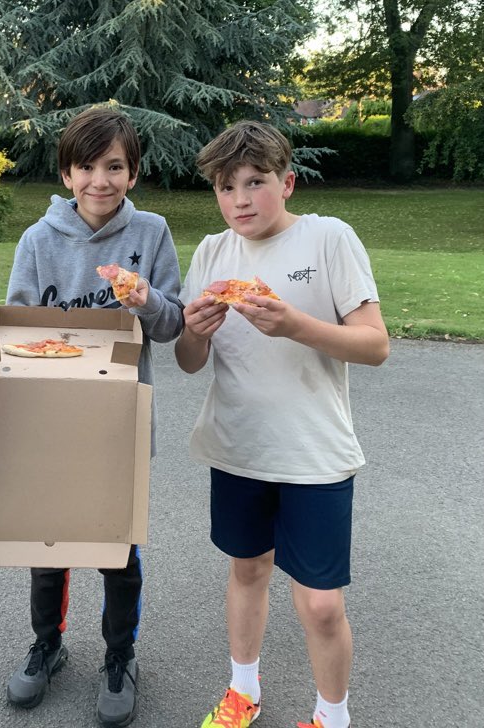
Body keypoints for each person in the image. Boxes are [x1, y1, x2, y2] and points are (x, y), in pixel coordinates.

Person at [175, 120, 389, 728]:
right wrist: (194, 330)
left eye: (255, 182)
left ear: (287, 182)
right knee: (247, 569)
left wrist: (294, 324)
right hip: (238, 447)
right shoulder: (214, 252)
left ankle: (332, 716)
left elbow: (375, 346)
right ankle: (244, 691)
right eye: (225, 187)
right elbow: (191, 364)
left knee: (321, 604)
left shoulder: (329, 239)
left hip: (314, 452)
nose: (240, 199)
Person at [4, 106, 184, 727]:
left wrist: (147, 298)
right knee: (49, 541)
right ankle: (47, 645)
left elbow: (173, 323)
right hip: (54, 421)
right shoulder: (38, 240)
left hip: (121, 419)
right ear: (66, 171)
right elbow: (16, 328)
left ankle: (119, 655)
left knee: (117, 549)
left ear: (133, 173)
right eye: (86, 167)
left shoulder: (152, 233)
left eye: (114, 167)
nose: (99, 181)